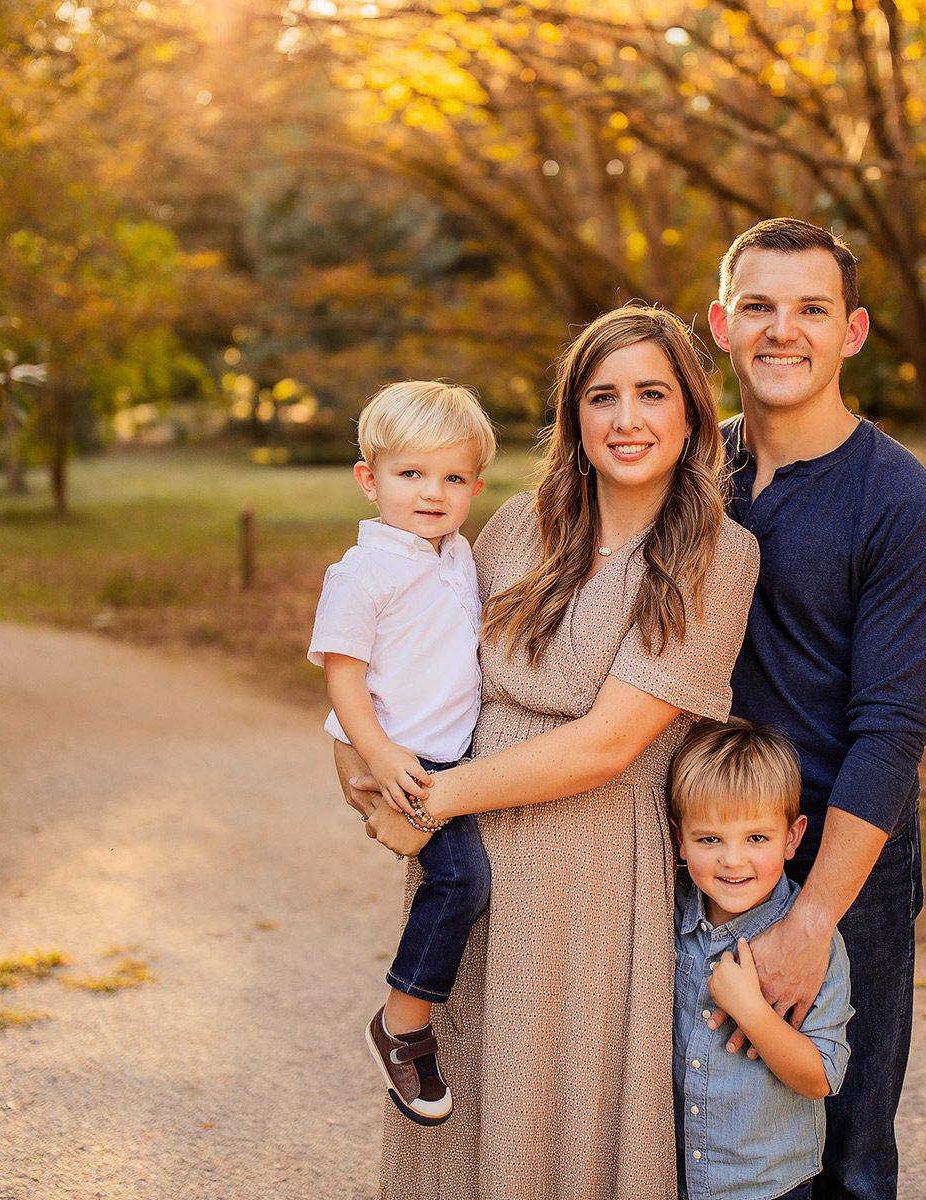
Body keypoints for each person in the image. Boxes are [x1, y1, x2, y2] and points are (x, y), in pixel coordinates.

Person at [339, 305, 760, 1199]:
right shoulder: (515, 525)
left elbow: (608, 746)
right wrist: (361, 770)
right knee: (457, 1106)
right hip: (462, 861)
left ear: (692, 410)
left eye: (652, 394)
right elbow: (401, 656)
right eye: (602, 397)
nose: (626, 419)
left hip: (589, 874)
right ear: (574, 417)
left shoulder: (717, 555)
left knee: (553, 1114)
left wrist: (428, 801)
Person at [706, 218, 926, 1200]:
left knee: (844, 1151)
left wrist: (811, 921)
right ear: (722, 324)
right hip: (706, 848)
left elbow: (891, 732)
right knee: (708, 1131)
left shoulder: (896, 499)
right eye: (759, 307)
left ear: (851, 332)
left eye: (811, 308)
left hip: (844, 865)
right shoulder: (692, 473)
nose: (783, 330)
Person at [308, 380, 497, 1127]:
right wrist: (378, 753)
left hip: (446, 754)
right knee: (460, 882)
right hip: (399, 755)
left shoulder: (457, 554)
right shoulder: (363, 572)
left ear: (474, 488)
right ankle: (402, 1024)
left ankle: (410, 1015)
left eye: (453, 477)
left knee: (464, 879)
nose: (432, 492)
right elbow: (343, 675)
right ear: (369, 479)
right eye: (411, 473)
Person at [669, 718, 853, 1200]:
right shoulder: (666, 911)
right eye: (710, 839)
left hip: (767, 1183)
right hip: (673, 1174)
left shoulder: (812, 943)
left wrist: (752, 1012)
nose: (733, 860)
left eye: (756, 838)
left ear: (792, 837)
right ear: (680, 838)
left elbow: (821, 1077)